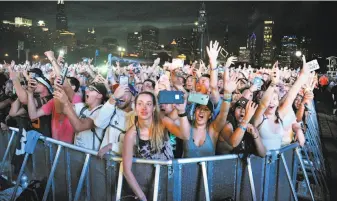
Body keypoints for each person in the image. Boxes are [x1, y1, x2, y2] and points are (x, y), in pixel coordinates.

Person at [122, 91, 189, 201]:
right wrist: (143, 198)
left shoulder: (163, 122)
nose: (144, 108)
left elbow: (185, 135)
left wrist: (182, 112)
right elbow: (126, 170)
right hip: (144, 186)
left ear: (153, 107)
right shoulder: (131, 134)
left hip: (168, 181)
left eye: (148, 104)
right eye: (140, 103)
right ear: (135, 107)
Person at [252, 58, 310, 151]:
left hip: (277, 163)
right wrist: (273, 83)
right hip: (259, 163)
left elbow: (290, 97)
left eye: (274, 99)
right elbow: (263, 104)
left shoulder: (279, 116)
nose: (271, 102)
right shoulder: (258, 118)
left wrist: (303, 76)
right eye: (269, 99)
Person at [54, 82, 107, 151]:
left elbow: (79, 127)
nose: (86, 90)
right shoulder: (83, 107)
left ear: (99, 95)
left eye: (91, 89)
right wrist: (57, 90)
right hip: (77, 152)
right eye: (87, 88)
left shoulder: (101, 111)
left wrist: (66, 102)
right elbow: (60, 110)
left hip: (91, 157)